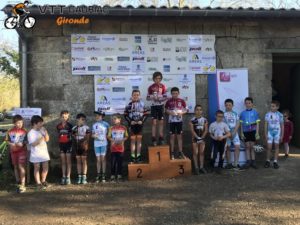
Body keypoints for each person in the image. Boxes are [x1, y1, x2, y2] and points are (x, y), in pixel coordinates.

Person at [124, 90, 148, 163]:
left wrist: (142, 121)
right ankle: (132, 157)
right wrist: (130, 121)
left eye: (137, 95)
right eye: (134, 95)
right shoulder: (129, 105)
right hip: (132, 125)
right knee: (133, 141)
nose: (136, 96)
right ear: (132, 96)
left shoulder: (142, 104)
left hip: (140, 125)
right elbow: (125, 115)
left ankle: (138, 157)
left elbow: (146, 114)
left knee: (139, 142)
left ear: (139, 96)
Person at [5, 115, 27, 193]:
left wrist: (23, 144)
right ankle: (18, 182)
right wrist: (10, 144)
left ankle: (23, 184)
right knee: (15, 166)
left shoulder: (24, 131)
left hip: (22, 151)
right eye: (18, 123)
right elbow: (6, 140)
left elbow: (26, 141)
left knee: (21, 166)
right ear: (14, 123)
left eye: (21, 122)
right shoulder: (10, 131)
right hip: (13, 152)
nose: (20, 124)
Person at [27, 115, 50, 191]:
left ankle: (43, 181)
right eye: (40, 123)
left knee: (45, 167)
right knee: (37, 168)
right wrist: (41, 137)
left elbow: (47, 139)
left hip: (44, 152)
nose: (42, 124)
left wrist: (45, 133)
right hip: (36, 153)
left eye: (42, 122)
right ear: (35, 123)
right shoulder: (31, 133)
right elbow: (33, 144)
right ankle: (38, 183)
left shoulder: (42, 130)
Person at [165, 87, 188, 160]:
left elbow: (186, 110)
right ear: (171, 94)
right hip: (171, 121)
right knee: (172, 137)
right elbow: (166, 110)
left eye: (176, 93)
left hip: (179, 121)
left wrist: (181, 113)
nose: (175, 95)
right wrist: (170, 112)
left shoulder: (181, 101)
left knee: (179, 137)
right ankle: (172, 152)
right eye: (173, 93)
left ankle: (180, 152)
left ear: (178, 93)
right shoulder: (168, 101)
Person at [146, 71, 167, 146]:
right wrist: (153, 97)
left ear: (161, 79)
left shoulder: (163, 86)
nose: (158, 80)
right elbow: (147, 98)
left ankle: (161, 137)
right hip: (154, 106)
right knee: (154, 122)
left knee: (161, 122)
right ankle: (153, 138)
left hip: (161, 106)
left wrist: (160, 99)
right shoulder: (151, 87)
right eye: (156, 78)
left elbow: (165, 96)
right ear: (153, 79)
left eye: (159, 78)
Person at [240, 97, 260, 169]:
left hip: (253, 132)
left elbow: (257, 123)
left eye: (249, 103)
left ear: (252, 104)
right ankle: (248, 161)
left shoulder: (255, 112)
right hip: (245, 132)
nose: (248, 104)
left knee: (252, 147)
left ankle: (253, 161)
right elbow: (241, 124)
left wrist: (257, 133)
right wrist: (241, 133)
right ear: (245, 104)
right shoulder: (242, 113)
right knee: (247, 147)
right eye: (246, 103)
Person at [107, 114, 128, 182]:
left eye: (115, 119)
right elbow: (108, 136)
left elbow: (126, 136)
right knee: (113, 162)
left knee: (120, 162)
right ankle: (112, 175)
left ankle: (119, 175)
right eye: (113, 119)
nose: (113, 120)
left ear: (119, 120)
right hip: (113, 148)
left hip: (121, 148)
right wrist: (113, 141)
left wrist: (122, 140)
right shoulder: (111, 128)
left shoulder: (124, 127)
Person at [264, 100, 284, 169]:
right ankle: (267, 161)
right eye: (271, 106)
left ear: (277, 107)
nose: (271, 107)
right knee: (269, 147)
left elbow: (282, 126)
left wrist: (282, 135)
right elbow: (265, 125)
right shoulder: (267, 114)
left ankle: (275, 161)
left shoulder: (280, 115)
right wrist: (265, 134)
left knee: (276, 147)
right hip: (270, 132)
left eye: (273, 106)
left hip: (277, 133)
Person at [189, 105, 208, 174]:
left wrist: (202, 138)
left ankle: (201, 167)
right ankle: (196, 167)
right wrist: (197, 137)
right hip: (195, 138)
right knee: (195, 153)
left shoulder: (205, 120)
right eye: (197, 109)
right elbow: (192, 130)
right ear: (194, 111)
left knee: (201, 153)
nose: (198, 111)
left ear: (202, 111)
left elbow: (206, 130)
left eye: (200, 110)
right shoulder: (192, 120)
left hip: (202, 138)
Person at [72, 113, 91, 184]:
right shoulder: (74, 128)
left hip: (84, 146)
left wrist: (81, 139)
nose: (83, 121)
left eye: (84, 120)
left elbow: (87, 137)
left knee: (84, 161)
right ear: (77, 120)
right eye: (82, 119)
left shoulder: (87, 128)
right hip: (77, 146)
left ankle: (84, 177)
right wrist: (76, 136)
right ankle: (79, 176)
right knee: (78, 161)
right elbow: (73, 136)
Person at [92, 109, 109, 183]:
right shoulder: (94, 125)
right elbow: (92, 134)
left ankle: (103, 174)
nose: (97, 117)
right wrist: (93, 136)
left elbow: (109, 133)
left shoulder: (106, 124)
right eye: (96, 115)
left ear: (102, 116)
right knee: (98, 160)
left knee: (103, 159)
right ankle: (98, 174)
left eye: (99, 115)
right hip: (96, 144)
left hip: (104, 143)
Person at [223, 99, 241, 169]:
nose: (228, 106)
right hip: (227, 133)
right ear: (225, 105)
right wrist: (228, 133)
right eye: (226, 105)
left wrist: (234, 132)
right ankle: (229, 163)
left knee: (237, 147)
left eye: (229, 105)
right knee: (228, 148)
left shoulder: (235, 114)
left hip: (234, 132)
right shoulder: (223, 114)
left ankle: (236, 163)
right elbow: (223, 124)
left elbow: (238, 123)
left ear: (232, 105)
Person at [56, 110, 73, 185]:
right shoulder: (58, 126)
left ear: (68, 117)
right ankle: (63, 176)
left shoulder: (70, 126)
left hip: (68, 145)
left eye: (66, 117)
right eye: (63, 117)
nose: (64, 118)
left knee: (68, 161)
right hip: (61, 145)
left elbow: (72, 135)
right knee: (63, 161)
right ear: (60, 117)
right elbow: (59, 135)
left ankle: (68, 177)